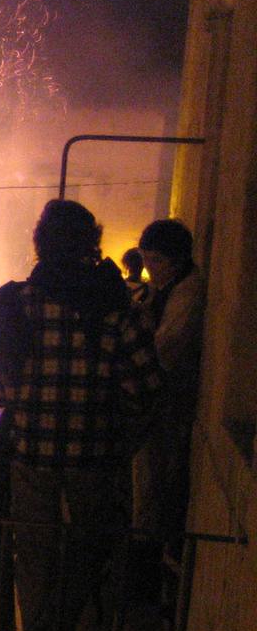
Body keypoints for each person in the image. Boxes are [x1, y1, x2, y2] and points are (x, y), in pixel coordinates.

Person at [0, 200, 164, 631]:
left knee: (36, 558)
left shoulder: (13, 306)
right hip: (95, 462)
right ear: (92, 245)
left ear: (40, 243)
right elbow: (145, 389)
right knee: (92, 552)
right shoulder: (117, 314)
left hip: (31, 460)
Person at [132, 219, 206, 548]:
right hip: (159, 404)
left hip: (169, 406)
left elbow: (167, 346)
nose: (149, 270)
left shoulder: (188, 291)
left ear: (173, 260)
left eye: (155, 261)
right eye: (146, 260)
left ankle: (147, 555)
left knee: (154, 487)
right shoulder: (170, 288)